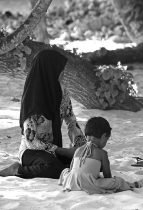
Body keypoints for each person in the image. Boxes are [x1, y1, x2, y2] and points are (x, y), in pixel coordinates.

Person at [0, 49, 86, 178]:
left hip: (54, 151)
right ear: (49, 71)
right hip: (32, 151)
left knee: (86, 162)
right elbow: (31, 141)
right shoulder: (32, 100)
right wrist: (63, 151)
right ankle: (17, 169)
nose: (63, 74)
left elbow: (71, 121)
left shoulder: (62, 94)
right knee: (55, 168)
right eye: (59, 69)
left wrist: (82, 147)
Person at [59, 116, 143, 194]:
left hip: (72, 182)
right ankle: (132, 185)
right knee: (117, 182)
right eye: (106, 139)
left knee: (65, 171)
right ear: (104, 136)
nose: (105, 142)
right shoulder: (102, 153)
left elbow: (72, 169)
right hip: (89, 185)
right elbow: (107, 176)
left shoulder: (78, 150)